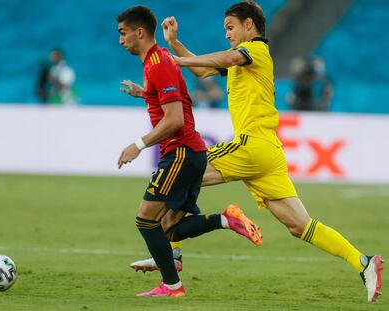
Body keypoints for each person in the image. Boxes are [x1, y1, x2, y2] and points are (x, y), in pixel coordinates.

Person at [130, 1, 383, 302]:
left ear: (249, 25)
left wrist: (175, 62)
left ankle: (172, 254)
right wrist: (175, 44)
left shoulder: (257, 50)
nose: (227, 34)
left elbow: (223, 57)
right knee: (299, 225)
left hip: (252, 145)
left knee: (188, 166)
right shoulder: (241, 60)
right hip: (268, 153)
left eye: (230, 27)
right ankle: (364, 263)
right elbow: (205, 71)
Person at [116, 5, 262, 297]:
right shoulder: (155, 63)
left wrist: (139, 145)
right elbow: (177, 100)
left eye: (123, 33)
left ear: (140, 32)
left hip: (181, 152)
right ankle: (226, 219)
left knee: (145, 219)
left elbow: (175, 119)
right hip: (190, 152)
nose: (121, 40)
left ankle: (172, 285)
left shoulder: (158, 62)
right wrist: (143, 93)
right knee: (170, 227)